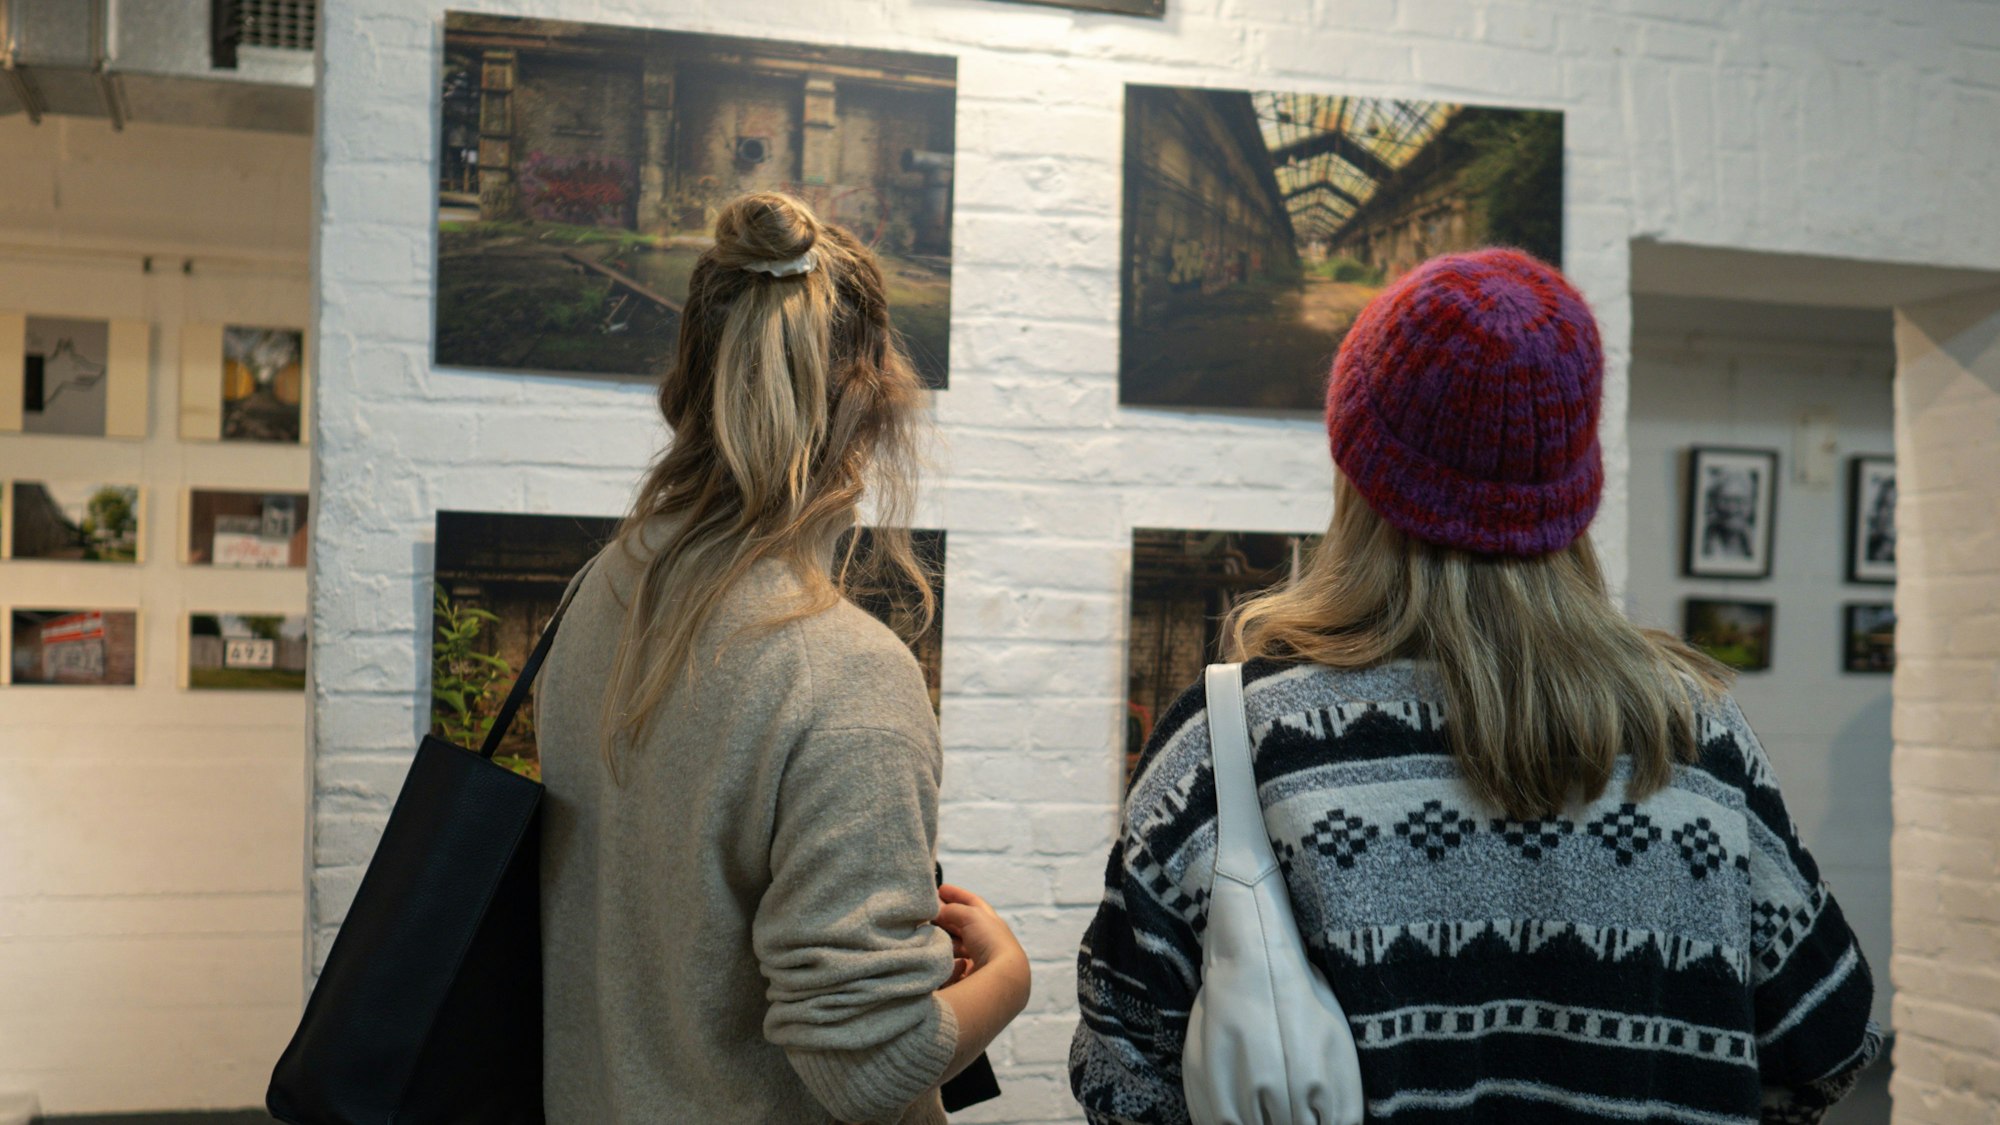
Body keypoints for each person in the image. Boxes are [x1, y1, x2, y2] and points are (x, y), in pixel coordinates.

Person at [1071, 249, 1881, 1124]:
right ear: (1571, 493)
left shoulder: (1237, 745)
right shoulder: (1693, 738)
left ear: (1357, 469)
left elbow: (1121, 1073)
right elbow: (1828, 1040)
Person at [537, 192, 1029, 1123]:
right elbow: (869, 1069)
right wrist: (1009, 973)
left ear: (689, 380)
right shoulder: (842, 673)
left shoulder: (597, 592)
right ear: (874, 403)